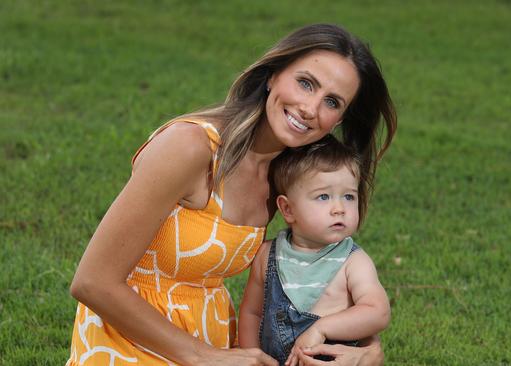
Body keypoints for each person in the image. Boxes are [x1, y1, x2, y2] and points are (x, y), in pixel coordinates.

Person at [67, 23, 396, 366]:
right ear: (273, 75)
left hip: (213, 339)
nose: (310, 108)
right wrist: (202, 356)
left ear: (340, 119)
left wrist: (368, 351)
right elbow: (92, 282)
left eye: (331, 102)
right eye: (305, 83)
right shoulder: (190, 147)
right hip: (131, 341)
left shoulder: (291, 171)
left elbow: (323, 268)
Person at [238, 135, 391, 366]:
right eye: (323, 196)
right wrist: (251, 357)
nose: (339, 208)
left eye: (349, 196)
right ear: (288, 209)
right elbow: (252, 313)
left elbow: (377, 312)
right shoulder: (268, 255)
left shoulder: (353, 262)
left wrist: (322, 328)